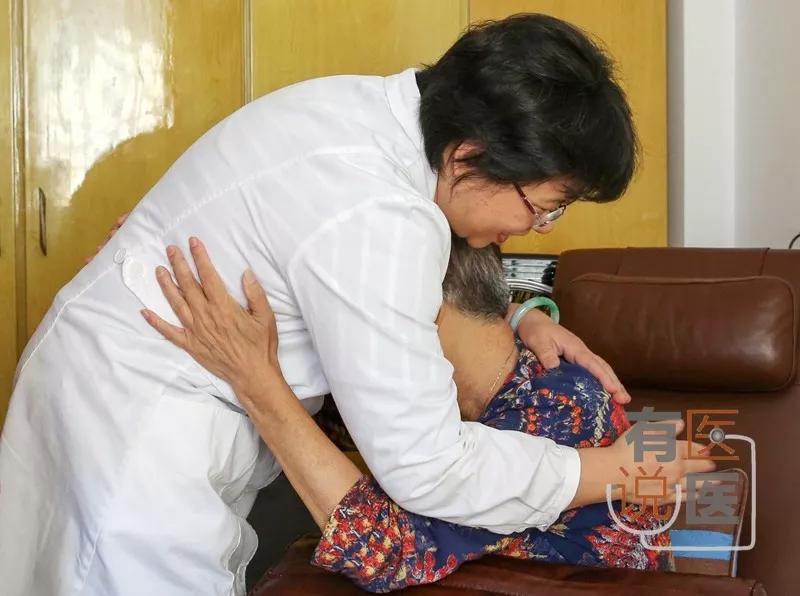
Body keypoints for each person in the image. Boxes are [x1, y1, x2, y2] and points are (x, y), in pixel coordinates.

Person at [0, 14, 708, 596]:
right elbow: (427, 469)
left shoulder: (355, 112)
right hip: (140, 425)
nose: (538, 230)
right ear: (470, 156)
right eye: (541, 207)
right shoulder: (382, 215)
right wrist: (605, 471)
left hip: (112, 376)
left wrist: (525, 314)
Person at [151, 235, 707, 593]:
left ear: (416, 310)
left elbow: (383, 546)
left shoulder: (558, 408)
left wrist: (255, 378)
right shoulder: (459, 374)